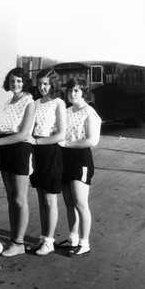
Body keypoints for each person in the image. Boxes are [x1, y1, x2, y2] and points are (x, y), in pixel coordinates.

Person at [0, 67, 35, 257]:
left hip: (20, 150)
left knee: (20, 199)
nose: (16, 84)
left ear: (25, 83)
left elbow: (22, 134)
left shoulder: (29, 103)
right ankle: (14, 239)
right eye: (13, 81)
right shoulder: (6, 102)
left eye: (20, 81)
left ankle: (19, 242)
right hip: (5, 149)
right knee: (10, 197)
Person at [25, 68, 66, 256]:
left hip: (51, 151)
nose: (42, 87)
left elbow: (61, 134)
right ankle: (43, 237)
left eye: (46, 84)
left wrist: (38, 141)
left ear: (53, 85)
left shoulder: (58, 103)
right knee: (41, 197)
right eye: (40, 83)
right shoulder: (35, 103)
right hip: (37, 151)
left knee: (50, 199)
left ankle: (50, 241)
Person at [60, 78, 101, 257]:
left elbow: (92, 140)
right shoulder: (66, 111)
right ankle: (73, 238)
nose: (72, 94)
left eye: (77, 90)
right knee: (69, 202)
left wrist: (67, 144)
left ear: (84, 92)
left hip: (81, 159)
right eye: (70, 90)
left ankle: (85, 243)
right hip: (65, 159)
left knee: (80, 203)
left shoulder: (89, 113)